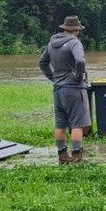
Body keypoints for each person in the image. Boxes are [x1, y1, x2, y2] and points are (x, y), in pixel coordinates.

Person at [39, 15, 90, 164]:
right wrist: (79, 77)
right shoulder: (75, 43)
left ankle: (62, 154)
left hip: (58, 89)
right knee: (77, 123)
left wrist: (53, 77)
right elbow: (80, 61)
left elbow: (42, 62)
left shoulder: (52, 42)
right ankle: (76, 155)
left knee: (60, 123)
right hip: (74, 89)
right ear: (77, 30)